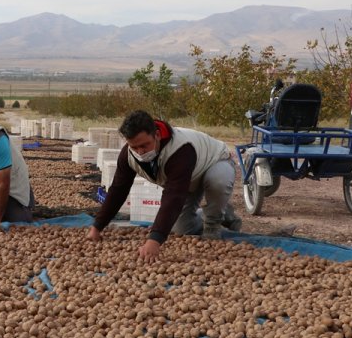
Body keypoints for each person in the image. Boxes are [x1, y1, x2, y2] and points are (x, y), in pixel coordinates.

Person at [87, 110, 241, 260]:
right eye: (134, 147)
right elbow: (118, 189)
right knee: (181, 229)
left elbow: (173, 196)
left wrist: (155, 239)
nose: (140, 152)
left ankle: (214, 221)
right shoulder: (128, 155)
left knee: (217, 181)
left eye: (145, 145)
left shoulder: (179, 150)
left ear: (157, 135)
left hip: (215, 162)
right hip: (186, 180)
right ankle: (223, 213)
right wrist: (98, 226)